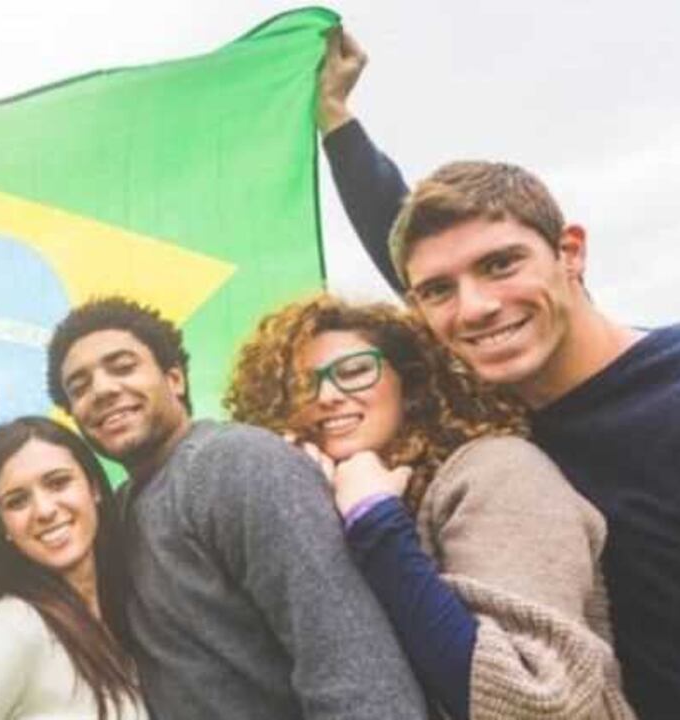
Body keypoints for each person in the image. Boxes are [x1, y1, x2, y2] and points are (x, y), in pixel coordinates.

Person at [315, 29, 680, 716]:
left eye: (501, 265)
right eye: (438, 291)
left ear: (570, 252)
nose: (476, 307)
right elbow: (406, 243)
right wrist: (336, 123)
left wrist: (377, 525)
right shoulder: (493, 391)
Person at [225, 294, 634, 719]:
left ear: (410, 383)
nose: (327, 395)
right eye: (300, 385)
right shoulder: (320, 503)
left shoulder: (498, 471)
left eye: (355, 371)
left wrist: (376, 518)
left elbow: (531, 701)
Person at [44, 295, 427, 720]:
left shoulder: (239, 463)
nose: (102, 389)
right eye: (79, 387)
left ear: (174, 379)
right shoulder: (117, 513)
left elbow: (351, 662)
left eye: (122, 366)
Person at [0, 417, 147, 719]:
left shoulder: (120, 617)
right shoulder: (15, 629)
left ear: (94, 488)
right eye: (17, 501)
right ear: (3, 527)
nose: (44, 510)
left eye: (58, 483)